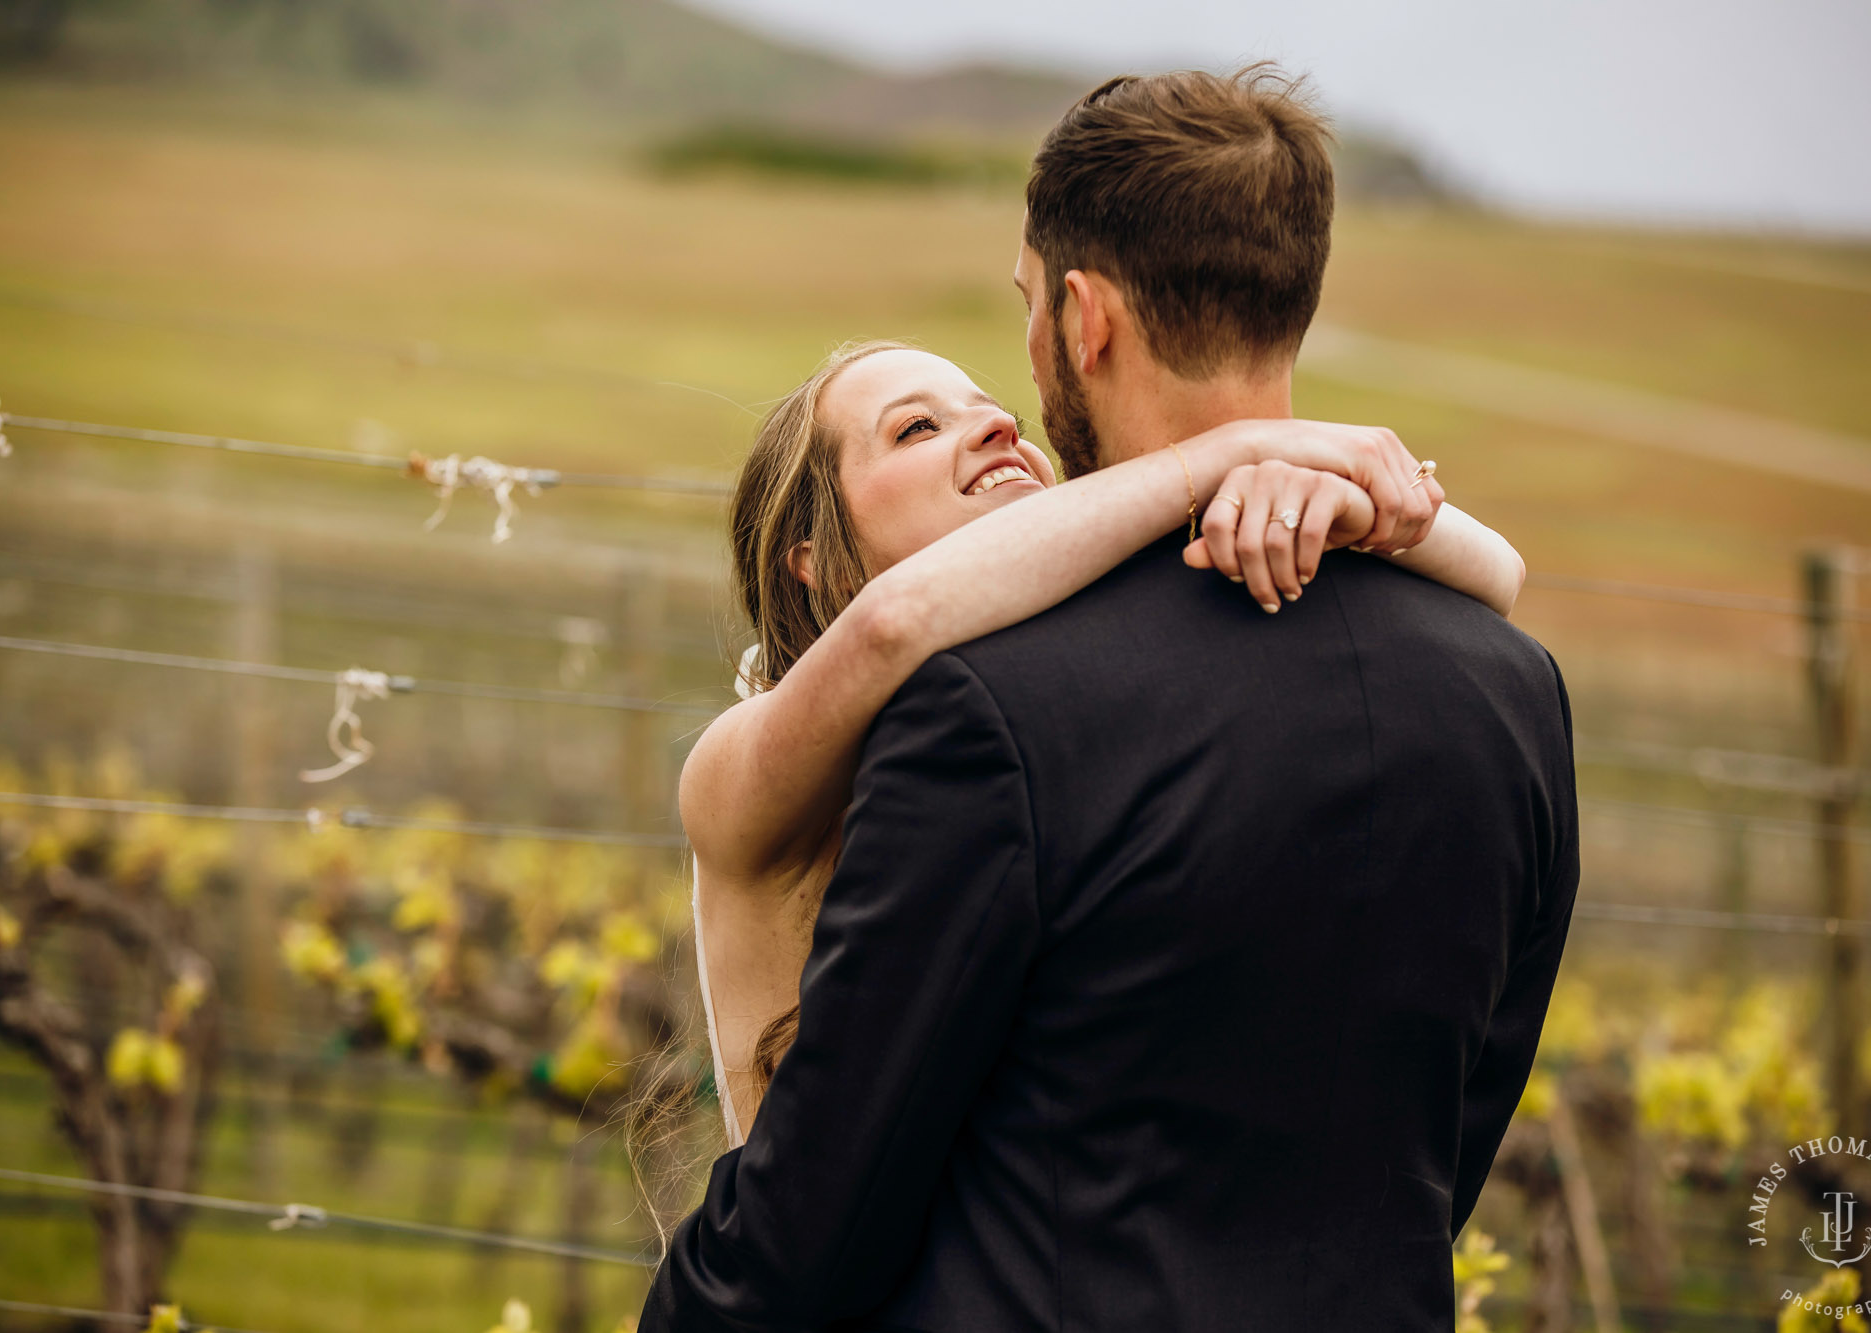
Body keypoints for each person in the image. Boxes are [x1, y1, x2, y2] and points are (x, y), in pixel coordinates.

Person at [649, 66, 1578, 1333]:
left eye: (1018, 332)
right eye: (914, 429)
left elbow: (816, 1219)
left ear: (1082, 322)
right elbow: (1447, 1144)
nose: (1001, 420)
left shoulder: (989, 713)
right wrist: (1258, 458)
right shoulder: (1514, 697)